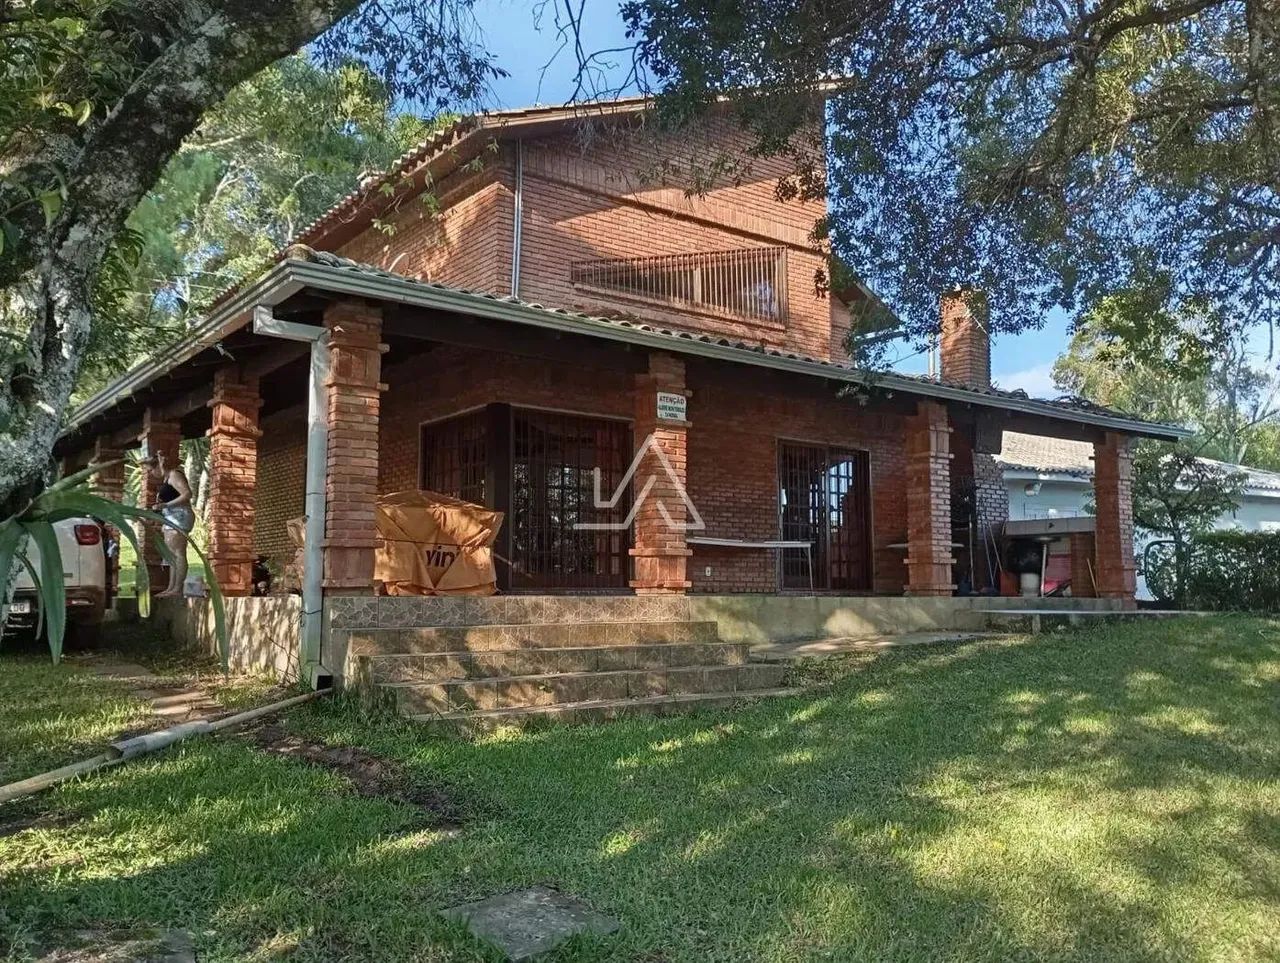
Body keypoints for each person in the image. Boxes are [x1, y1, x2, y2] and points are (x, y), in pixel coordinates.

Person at [143, 451, 194, 597]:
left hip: (179, 515)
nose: (151, 473)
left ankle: (177, 588)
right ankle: (171, 587)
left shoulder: (174, 475)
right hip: (170, 517)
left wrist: (166, 505)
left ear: (159, 465)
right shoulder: (167, 479)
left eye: (151, 470)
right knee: (171, 554)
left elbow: (187, 494)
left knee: (178, 552)